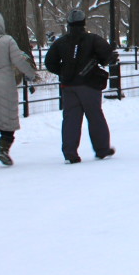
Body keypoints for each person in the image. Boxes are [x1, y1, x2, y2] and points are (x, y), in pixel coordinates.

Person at [44, 9, 117, 163]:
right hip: (89, 84)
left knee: (70, 119)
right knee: (95, 116)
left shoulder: (61, 42)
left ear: (69, 24)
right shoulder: (93, 39)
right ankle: (102, 149)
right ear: (83, 23)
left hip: (68, 85)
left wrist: (63, 72)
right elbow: (107, 56)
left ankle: (70, 154)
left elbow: (49, 63)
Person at [0, 9, 38, 167]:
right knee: (7, 120)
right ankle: (4, 149)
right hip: (5, 85)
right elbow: (19, 61)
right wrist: (31, 74)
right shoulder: (7, 41)